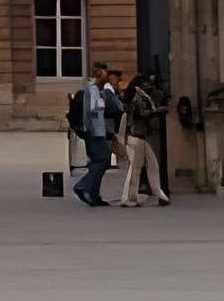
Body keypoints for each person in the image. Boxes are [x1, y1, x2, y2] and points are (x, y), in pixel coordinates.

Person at [116, 61, 171, 206]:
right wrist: (157, 111)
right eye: (146, 83)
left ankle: (158, 194)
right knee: (136, 168)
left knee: (150, 166)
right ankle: (128, 197)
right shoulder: (137, 97)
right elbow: (142, 114)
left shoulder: (135, 96)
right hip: (137, 137)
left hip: (141, 137)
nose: (149, 86)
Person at [66, 65, 122, 207]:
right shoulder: (93, 89)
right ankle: (83, 186)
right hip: (94, 132)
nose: (107, 76)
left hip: (94, 131)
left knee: (99, 161)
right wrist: (103, 99)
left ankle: (93, 194)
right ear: (98, 74)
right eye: (104, 74)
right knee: (103, 159)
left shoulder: (93, 89)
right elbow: (94, 109)